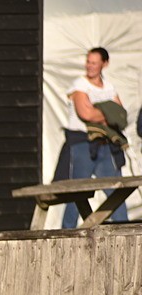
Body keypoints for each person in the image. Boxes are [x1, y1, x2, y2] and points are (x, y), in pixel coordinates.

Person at [60, 47, 129, 228]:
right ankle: (67, 235)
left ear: (104, 64)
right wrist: (108, 113)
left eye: (94, 63)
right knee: (77, 194)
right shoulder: (79, 85)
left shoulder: (109, 87)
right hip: (83, 144)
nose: (89, 66)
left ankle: (125, 232)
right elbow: (86, 114)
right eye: (88, 62)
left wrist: (102, 111)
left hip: (106, 146)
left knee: (116, 192)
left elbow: (121, 116)